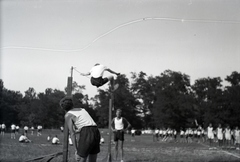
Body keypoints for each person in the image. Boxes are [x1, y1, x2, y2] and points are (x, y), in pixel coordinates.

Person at [60, 96, 100, 162]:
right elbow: (87, 124)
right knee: (92, 159)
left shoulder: (68, 115)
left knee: (80, 159)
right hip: (96, 130)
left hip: (87, 132)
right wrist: (79, 130)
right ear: (72, 104)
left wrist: (76, 150)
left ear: (63, 108)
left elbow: (72, 133)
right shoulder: (82, 109)